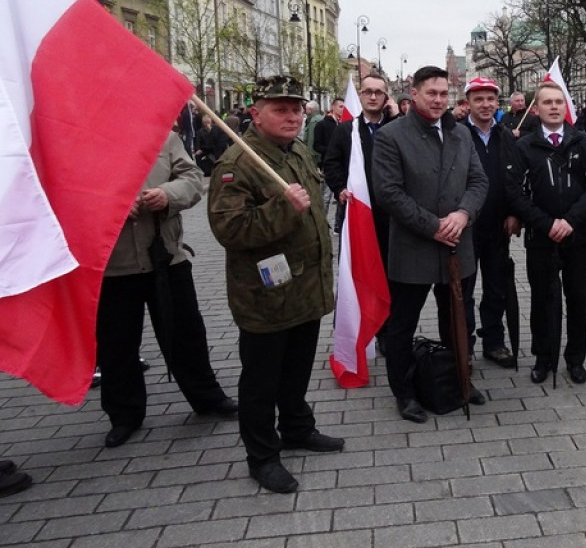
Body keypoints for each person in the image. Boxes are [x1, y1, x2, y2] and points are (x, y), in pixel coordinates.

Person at [208, 76, 344, 495]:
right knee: (261, 381)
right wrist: (283, 208)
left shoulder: (298, 150)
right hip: (266, 296)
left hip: (304, 288)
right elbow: (230, 229)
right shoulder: (238, 163)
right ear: (256, 113)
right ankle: (262, 455)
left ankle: (298, 427)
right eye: (280, 109)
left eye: (296, 109)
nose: (291, 116)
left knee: (297, 369)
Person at [97, 131, 237, 449]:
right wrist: (110, 205)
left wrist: (167, 194)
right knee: (117, 342)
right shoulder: (83, 139)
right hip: (113, 262)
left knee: (187, 332)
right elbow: (69, 192)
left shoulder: (163, 135)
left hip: (167, 254)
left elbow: (190, 176)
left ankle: (207, 396)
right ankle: (124, 414)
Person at [372, 66, 490, 423]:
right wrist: (433, 226)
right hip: (413, 248)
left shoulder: (461, 135)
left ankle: (459, 379)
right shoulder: (391, 136)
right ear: (414, 92)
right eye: (432, 93)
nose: (439, 100)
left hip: (458, 246)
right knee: (402, 324)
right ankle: (404, 392)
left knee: (456, 318)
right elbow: (389, 193)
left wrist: (463, 215)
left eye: (444, 94)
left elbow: (478, 181)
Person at [507, 81, 586, 386]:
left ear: (566, 107)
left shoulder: (584, 142)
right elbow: (515, 192)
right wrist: (546, 223)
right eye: (547, 102)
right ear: (535, 109)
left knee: (577, 299)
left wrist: (571, 221)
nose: (553, 107)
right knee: (542, 300)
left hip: (577, 237)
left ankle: (575, 359)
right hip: (541, 237)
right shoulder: (524, 145)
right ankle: (543, 357)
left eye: (558, 102)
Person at [322, 74, 395, 347]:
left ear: (386, 97)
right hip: (358, 215)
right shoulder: (345, 130)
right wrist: (339, 187)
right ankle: (358, 329)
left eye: (378, 92)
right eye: (368, 92)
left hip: (391, 217)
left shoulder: (396, 127)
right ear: (361, 96)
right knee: (357, 272)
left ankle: (388, 332)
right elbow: (332, 164)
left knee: (390, 274)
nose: (373, 96)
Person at [460, 77, 521, 368]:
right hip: (466, 227)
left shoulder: (506, 135)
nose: (485, 105)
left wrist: (514, 213)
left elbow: (514, 179)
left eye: (490, 99)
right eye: (479, 99)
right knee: (465, 291)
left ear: (498, 103)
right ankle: (465, 346)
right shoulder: (457, 134)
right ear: (468, 103)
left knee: (496, 286)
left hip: (499, 226)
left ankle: (494, 342)